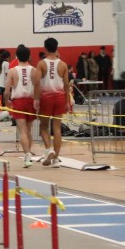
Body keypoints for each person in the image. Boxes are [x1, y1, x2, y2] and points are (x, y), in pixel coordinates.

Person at [37, 37, 73, 167]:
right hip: (59, 97)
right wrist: (68, 101)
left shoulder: (41, 64)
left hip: (46, 98)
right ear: (57, 48)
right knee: (57, 128)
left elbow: (37, 84)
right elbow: (66, 85)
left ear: (45, 49)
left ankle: (49, 149)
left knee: (43, 127)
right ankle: (56, 159)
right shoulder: (63, 65)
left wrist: (36, 99)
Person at [6, 45, 41, 167]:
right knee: (28, 130)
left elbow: (6, 90)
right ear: (29, 56)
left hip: (19, 101)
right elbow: (38, 87)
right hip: (30, 101)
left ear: (17, 56)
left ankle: (27, 155)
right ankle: (28, 154)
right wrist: (37, 100)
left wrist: (6, 101)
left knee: (23, 131)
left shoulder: (12, 71)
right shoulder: (34, 70)